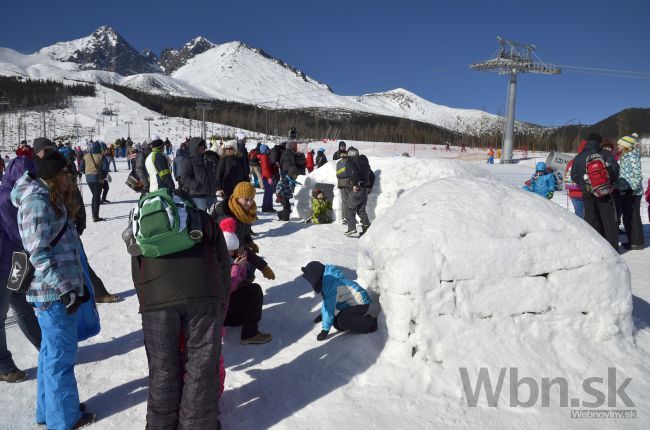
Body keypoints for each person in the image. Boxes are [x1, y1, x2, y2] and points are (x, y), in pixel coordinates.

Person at [11, 150, 95, 428]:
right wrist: (64, 289)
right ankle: (65, 418)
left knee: (51, 355)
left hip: (57, 290)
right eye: (66, 172)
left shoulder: (48, 199)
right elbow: (38, 253)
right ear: (54, 176)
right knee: (60, 358)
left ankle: (51, 409)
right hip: (52, 294)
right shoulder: (36, 202)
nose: (70, 176)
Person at [131, 203, 230, 429]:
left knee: (162, 368)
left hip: (156, 304)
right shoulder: (202, 218)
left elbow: (138, 268)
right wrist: (221, 302)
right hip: (204, 298)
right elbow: (223, 263)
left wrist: (147, 304)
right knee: (202, 366)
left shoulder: (141, 220)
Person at [210, 182, 276, 343]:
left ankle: (231, 314)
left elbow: (243, 232)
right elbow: (236, 248)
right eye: (245, 199)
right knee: (253, 291)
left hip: (231, 262)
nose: (249, 203)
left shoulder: (243, 212)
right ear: (236, 198)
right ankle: (250, 334)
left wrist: (248, 240)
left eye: (252, 199)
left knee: (242, 280)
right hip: (225, 264)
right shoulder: (226, 220)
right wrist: (263, 266)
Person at [0, 155, 42, 383]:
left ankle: (44, 347)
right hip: (3, 265)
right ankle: (4, 366)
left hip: (13, 263)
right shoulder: (6, 198)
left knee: (22, 307)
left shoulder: (14, 196)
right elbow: (18, 234)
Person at [300, 261, 377, 341]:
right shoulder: (328, 282)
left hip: (360, 303)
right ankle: (360, 319)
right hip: (352, 304)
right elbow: (326, 305)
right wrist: (324, 315)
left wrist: (325, 330)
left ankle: (370, 323)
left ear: (314, 276)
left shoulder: (330, 286)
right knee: (338, 324)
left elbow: (328, 308)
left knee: (342, 321)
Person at [570, 133, 620, 250]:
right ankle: (613, 247)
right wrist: (609, 182)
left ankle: (596, 247)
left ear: (588, 141)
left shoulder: (579, 156)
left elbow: (574, 176)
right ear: (599, 142)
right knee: (608, 218)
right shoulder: (605, 153)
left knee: (591, 217)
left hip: (587, 192)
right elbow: (615, 170)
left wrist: (583, 184)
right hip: (604, 191)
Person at [616, 134, 644, 250]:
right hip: (625, 190)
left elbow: (637, 175)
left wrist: (630, 189)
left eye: (619, 144)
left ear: (625, 145)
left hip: (632, 192)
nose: (617, 146)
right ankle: (631, 239)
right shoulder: (625, 156)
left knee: (633, 217)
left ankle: (637, 242)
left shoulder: (632, 156)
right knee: (627, 217)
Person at [342, 147, 374, 236]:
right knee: (361, 210)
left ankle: (351, 228)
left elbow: (353, 173)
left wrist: (355, 184)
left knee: (349, 208)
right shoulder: (363, 162)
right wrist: (370, 186)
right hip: (365, 189)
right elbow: (372, 175)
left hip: (357, 188)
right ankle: (366, 228)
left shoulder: (350, 161)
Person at [181, 137, 218, 211]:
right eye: (201, 148)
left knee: (215, 217)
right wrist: (196, 185)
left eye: (204, 147)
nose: (203, 149)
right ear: (195, 148)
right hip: (198, 196)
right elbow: (184, 178)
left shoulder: (207, 159)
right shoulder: (188, 161)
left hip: (211, 195)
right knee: (201, 219)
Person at [80, 141, 109, 222]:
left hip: (89, 179)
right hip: (98, 178)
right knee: (96, 197)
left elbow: (81, 167)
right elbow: (105, 167)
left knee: (95, 196)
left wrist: (87, 173)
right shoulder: (101, 156)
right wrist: (103, 176)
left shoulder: (86, 156)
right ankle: (95, 216)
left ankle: (95, 215)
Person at [564, 141, 587, 217]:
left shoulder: (571, 162)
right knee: (587, 215)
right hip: (585, 192)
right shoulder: (589, 161)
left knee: (578, 214)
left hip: (573, 191)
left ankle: (578, 227)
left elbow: (566, 175)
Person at [257, 143, 277, 213]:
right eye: (267, 148)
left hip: (267, 177)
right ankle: (266, 207)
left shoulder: (264, 156)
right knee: (268, 193)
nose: (269, 150)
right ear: (265, 150)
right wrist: (269, 178)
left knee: (269, 192)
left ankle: (268, 207)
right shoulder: (264, 157)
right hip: (267, 177)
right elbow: (265, 169)